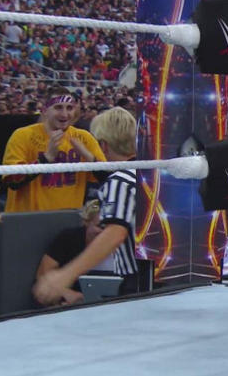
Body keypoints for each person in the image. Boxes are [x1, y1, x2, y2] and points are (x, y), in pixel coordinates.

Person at [33, 107, 138, 306]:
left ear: (103, 145)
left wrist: (66, 275)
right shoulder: (147, 173)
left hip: (135, 280)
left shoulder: (120, 181)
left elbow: (116, 231)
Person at [1, 87, 106, 213]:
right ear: (45, 110)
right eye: (58, 107)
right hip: (27, 219)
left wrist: (89, 157)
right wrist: (45, 159)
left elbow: (106, 178)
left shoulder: (84, 138)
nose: (64, 114)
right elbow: (12, 181)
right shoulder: (22, 136)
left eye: (69, 108)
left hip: (68, 218)